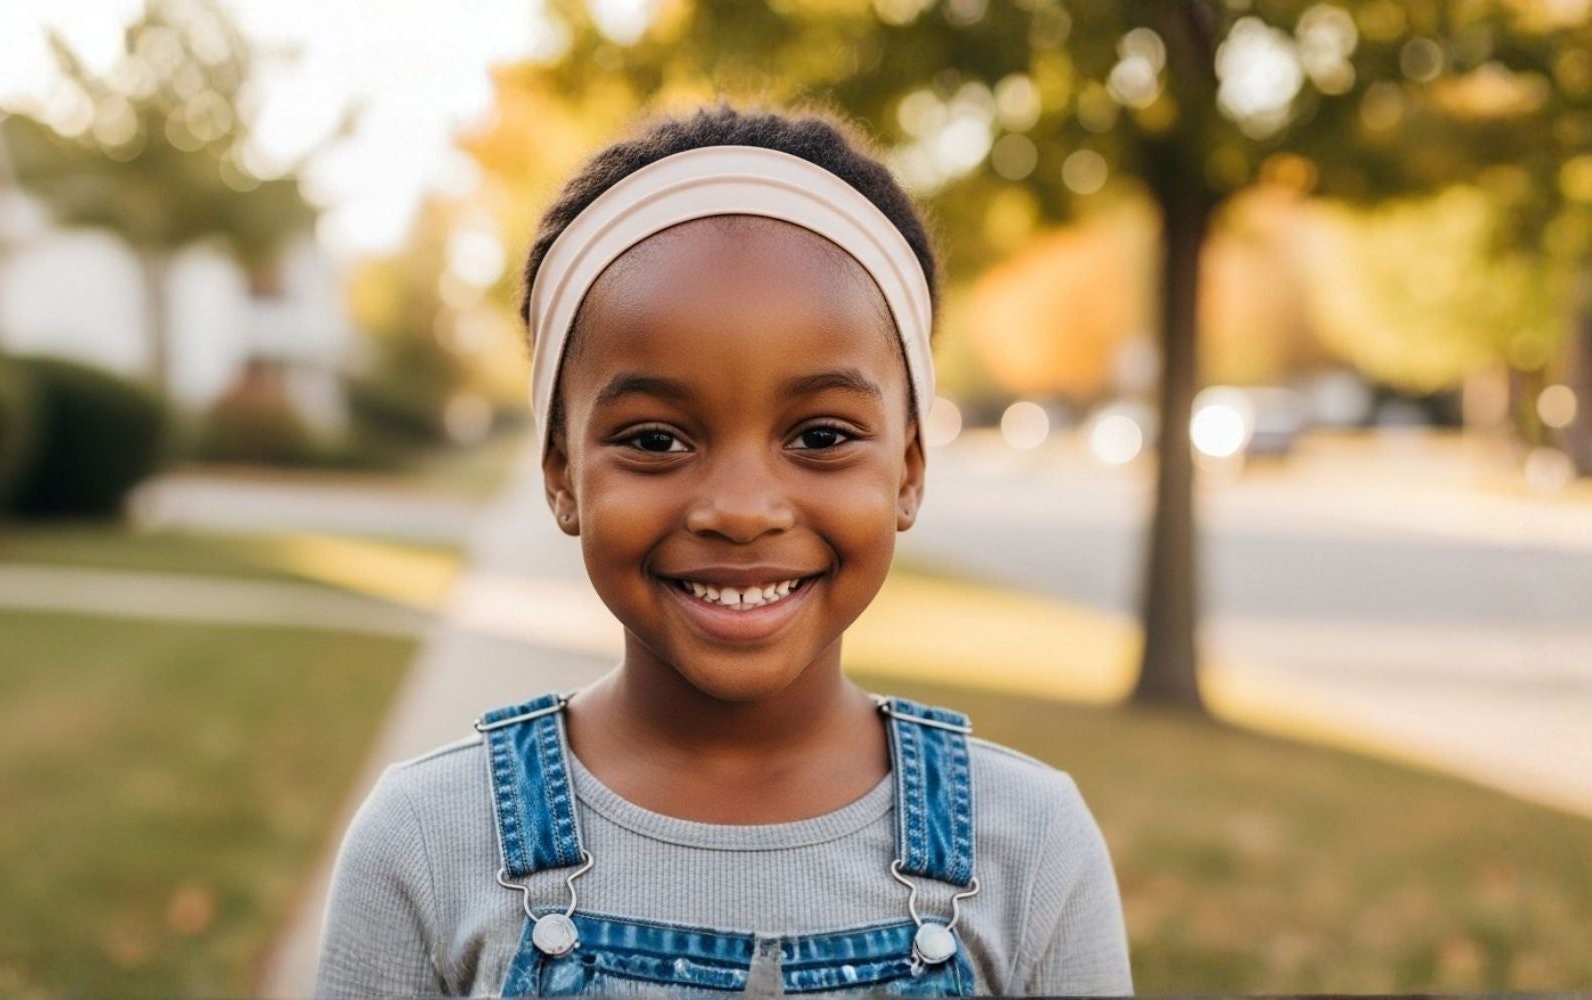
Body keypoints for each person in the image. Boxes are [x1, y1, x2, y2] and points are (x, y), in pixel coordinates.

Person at [315, 103, 1132, 998]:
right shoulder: (429, 842)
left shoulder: (1030, 848)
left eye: (820, 436)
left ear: (907, 469)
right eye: (656, 440)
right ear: (561, 473)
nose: (742, 511)